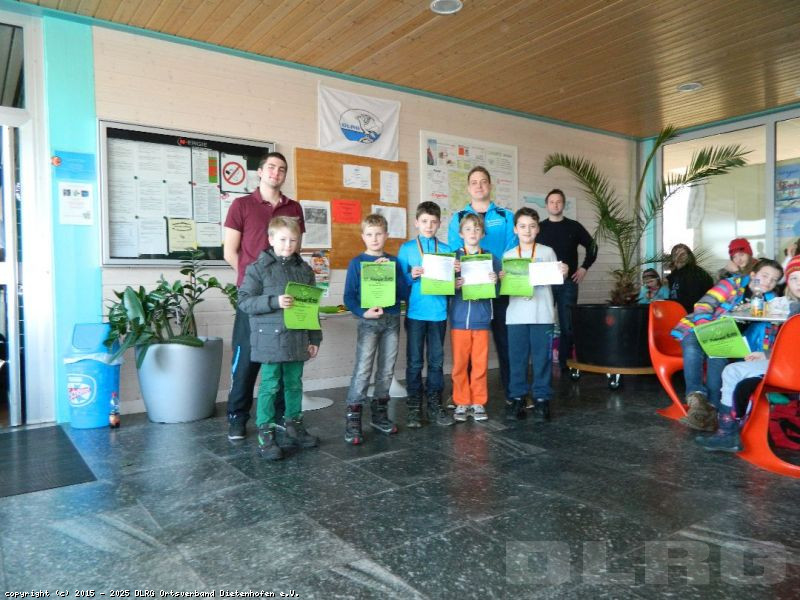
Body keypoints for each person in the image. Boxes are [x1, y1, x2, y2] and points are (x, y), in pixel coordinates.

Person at [223, 152, 305, 441]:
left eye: (282, 169)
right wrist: (254, 281)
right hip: (255, 298)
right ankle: (237, 417)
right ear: (260, 172)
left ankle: (281, 417)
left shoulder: (294, 207)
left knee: (283, 357)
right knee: (246, 359)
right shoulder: (241, 205)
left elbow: (295, 250)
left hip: (286, 300)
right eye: (271, 167)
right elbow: (229, 252)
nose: (276, 172)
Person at [237, 217, 321, 460]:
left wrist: (315, 338)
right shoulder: (257, 268)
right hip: (269, 340)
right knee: (270, 385)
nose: (288, 244)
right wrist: (274, 301)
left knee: (294, 383)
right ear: (271, 239)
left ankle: (294, 425)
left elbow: (311, 308)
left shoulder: (305, 270)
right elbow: (244, 301)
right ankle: (266, 433)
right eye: (283, 239)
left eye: (293, 240)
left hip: (297, 337)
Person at [697, 255, 800, 452]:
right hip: (787, 365)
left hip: (791, 371)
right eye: (794, 278)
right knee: (732, 370)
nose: (798, 283)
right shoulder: (791, 306)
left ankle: (727, 433)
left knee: (733, 372)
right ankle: (727, 432)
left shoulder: (794, 310)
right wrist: (767, 354)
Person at [671, 258, 784, 431]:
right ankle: (696, 397)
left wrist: (764, 353)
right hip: (701, 326)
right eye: (764, 275)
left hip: (729, 338)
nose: (768, 282)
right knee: (692, 347)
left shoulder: (771, 301)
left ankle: (711, 409)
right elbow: (703, 306)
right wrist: (709, 331)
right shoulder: (731, 285)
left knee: (718, 358)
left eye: (773, 280)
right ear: (753, 274)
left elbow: (769, 330)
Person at [447, 167, 516, 396]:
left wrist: (498, 274)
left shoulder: (506, 215)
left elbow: (512, 249)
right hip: (468, 293)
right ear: (468, 187)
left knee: (505, 343)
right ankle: (463, 397)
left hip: (499, 288)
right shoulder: (458, 218)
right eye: (474, 182)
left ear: (490, 185)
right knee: (467, 349)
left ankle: (513, 394)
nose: (479, 186)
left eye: (483, 181)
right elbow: (454, 252)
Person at [342, 214, 406, 444]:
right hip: (369, 321)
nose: (375, 238)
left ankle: (379, 413)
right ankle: (353, 418)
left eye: (379, 234)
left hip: (391, 319)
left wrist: (388, 273)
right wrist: (363, 312)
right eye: (369, 234)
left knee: (387, 369)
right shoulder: (356, 263)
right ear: (363, 237)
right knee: (363, 369)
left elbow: (404, 293)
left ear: (386, 235)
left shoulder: (394, 262)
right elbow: (349, 297)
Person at [504, 207, 568, 421]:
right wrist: (502, 279)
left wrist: (563, 272)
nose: (527, 230)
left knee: (542, 359)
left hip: (543, 314)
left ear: (538, 228)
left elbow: (556, 280)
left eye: (532, 226)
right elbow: (505, 287)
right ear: (515, 229)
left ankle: (542, 400)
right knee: (517, 360)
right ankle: (517, 399)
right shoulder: (508, 256)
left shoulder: (547, 252)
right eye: (522, 226)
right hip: (516, 316)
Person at [398, 201, 453, 428]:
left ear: (439, 223)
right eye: (424, 221)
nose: (429, 226)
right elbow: (399, 283)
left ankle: (434, 403)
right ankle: (414, 406)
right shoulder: (407, 249)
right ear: (416, 223)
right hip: (416, 313)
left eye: (433, 222)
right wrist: (410, 275)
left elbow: (452, 285)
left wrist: (455, 278)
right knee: (414, 362)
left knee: (436, 362)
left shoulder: (447, 250)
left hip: (439, 314)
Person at [536, 189, 597, 372]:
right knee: (542, 324)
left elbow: (592, 247)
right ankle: (542, 365)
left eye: (559, 202)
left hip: (568, 283)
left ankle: (566, 364)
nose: (555, 205)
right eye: (552, 202)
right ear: (546, 205)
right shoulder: (539, 228)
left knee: (567, 326)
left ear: (563, 204)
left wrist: (584, 268)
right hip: (544, 284)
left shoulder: (574, 226)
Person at [450, 214, 501, 422]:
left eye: (477, 229)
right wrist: (453, 284)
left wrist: (496, 280)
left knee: (480, 363)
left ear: (483, 233)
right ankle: (461, 401)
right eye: (468, 229)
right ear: (461, 233)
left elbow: (499, 290)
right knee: (460, 364)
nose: (473, 233)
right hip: (459, 319)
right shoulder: (452, 258)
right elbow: (443, 287)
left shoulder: (490, 257)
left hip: (481, 319)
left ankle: (478, 401)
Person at [665, 243, 713, 314]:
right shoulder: (674, 275)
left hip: (695, 313)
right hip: (679, 311)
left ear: (689, 256)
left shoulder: (695, 273)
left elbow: (692, 299)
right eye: (676, 254)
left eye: (682, 254)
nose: (679, 256)